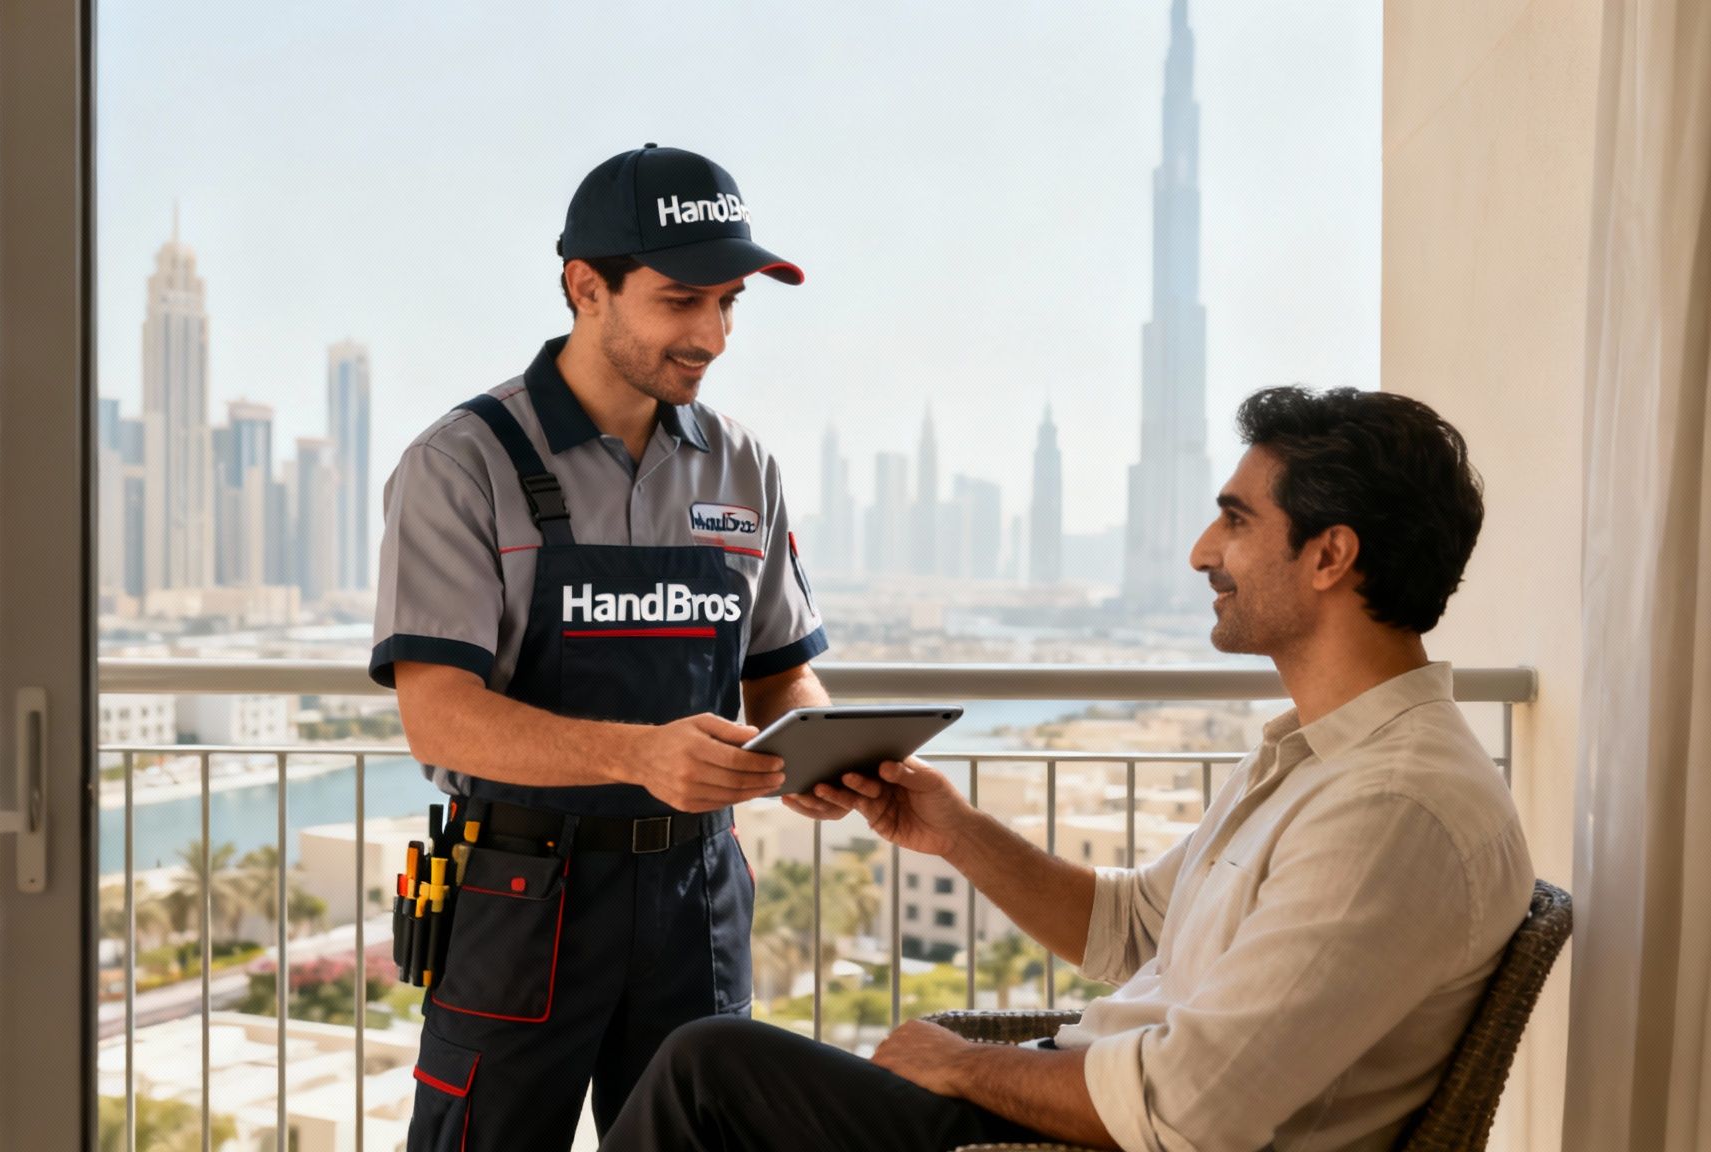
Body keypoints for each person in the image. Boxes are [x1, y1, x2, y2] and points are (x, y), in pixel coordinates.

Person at [602, 386, 1536, 1152]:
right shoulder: (1316, 758)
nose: (1202, 552)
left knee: (708, 1071)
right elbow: (1131, 928)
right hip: (1083, 1105)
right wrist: (953, 830)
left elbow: (1188, 1109)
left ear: (1330, 555)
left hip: (1095, 1141)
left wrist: (962, 1064)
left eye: (1236, 521)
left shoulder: (1394, 806)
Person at [370, 144, 832, 1151]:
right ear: (587, 288)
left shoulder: (744, 465)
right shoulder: (462, 465)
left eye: (729, 303)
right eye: (680, 301)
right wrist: (638, 755)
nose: (711, 334)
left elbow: (780, 671)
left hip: (696, 900)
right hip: (519, 901)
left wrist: (824, 749)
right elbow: (436, 713)